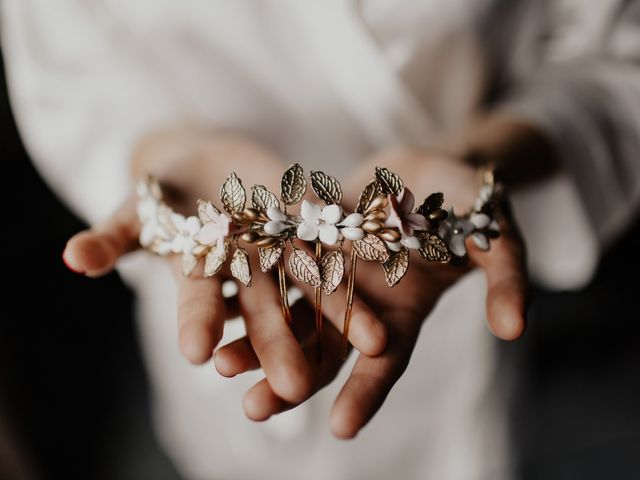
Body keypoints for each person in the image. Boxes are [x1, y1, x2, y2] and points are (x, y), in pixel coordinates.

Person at [3, 1, 640, 478]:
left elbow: (614, 61)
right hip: (217, 286)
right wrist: (166, 152)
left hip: (432, 289)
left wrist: (475, 157)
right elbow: (70, 69)